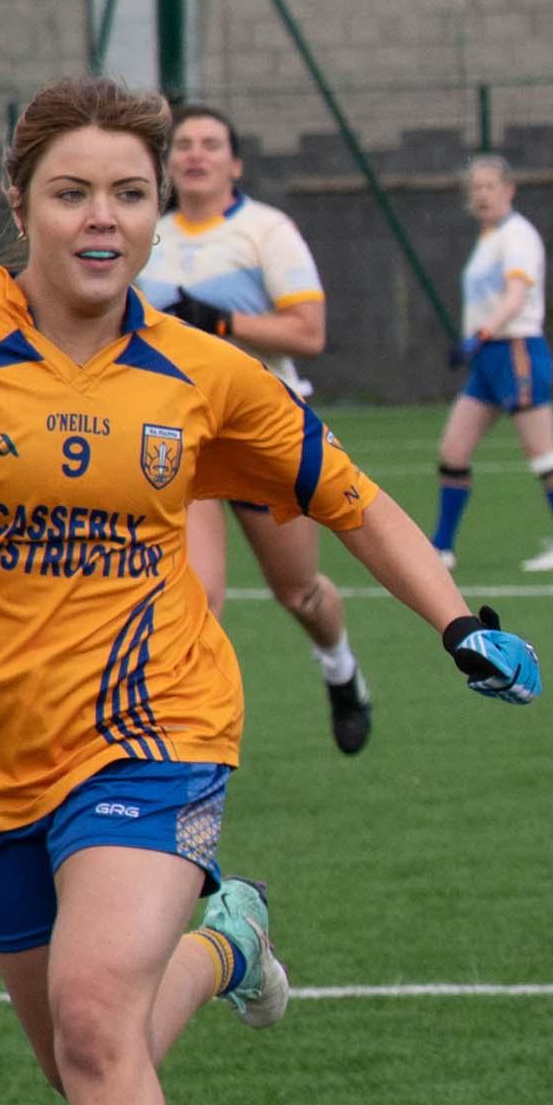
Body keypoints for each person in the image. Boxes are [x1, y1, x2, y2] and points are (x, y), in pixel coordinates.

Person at [0, 76, 544, 1105]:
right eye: (73, 191)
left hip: (154, 726)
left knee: (92, 1022)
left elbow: (344, 491)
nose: (105, 215)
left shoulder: (199, 370)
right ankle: (231, 943)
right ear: (21, 208)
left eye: (127, 191)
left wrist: (459, 622)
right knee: (87, 1068)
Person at [138, 102, 374, 753]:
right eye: (183, 143)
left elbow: (309, 332)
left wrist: (221, 323)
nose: (195, 154)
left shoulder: (267, 232)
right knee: (197, 601)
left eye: (210, 143)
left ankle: (340, 668)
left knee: (298, 593)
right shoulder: (144, 236)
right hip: (179, 438)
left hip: (261, 430)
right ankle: (183, 749)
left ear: (234, 162)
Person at [431, 155, 553, 572]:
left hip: (515, 348)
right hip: (489, 357)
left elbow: (516, 296)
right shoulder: (488, 239)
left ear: (509, 189)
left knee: (541, 452)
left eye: (489, 186)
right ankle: (440, 549)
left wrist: (479, 336)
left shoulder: (517, 235)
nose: (481, 194)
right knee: (453, 450)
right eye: (475, 188)